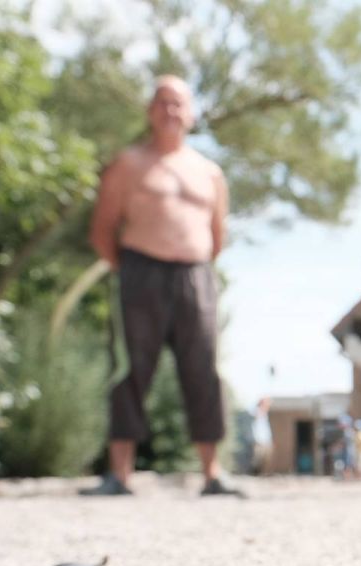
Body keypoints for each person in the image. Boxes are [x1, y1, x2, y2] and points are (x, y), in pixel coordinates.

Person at [81, 75, 243, 497]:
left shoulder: (210, 172)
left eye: (179, 103)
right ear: (150, 111)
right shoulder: (129, 163)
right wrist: (129, 269)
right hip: (139, 273)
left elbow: (217, 234)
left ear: (191, 113)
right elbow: (101, 231)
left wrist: (194, 265)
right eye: (163, 102)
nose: (171, 111)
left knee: (205, 369)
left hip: (196, 275)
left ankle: (212, 473)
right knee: (131, 368)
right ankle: (119, 474)